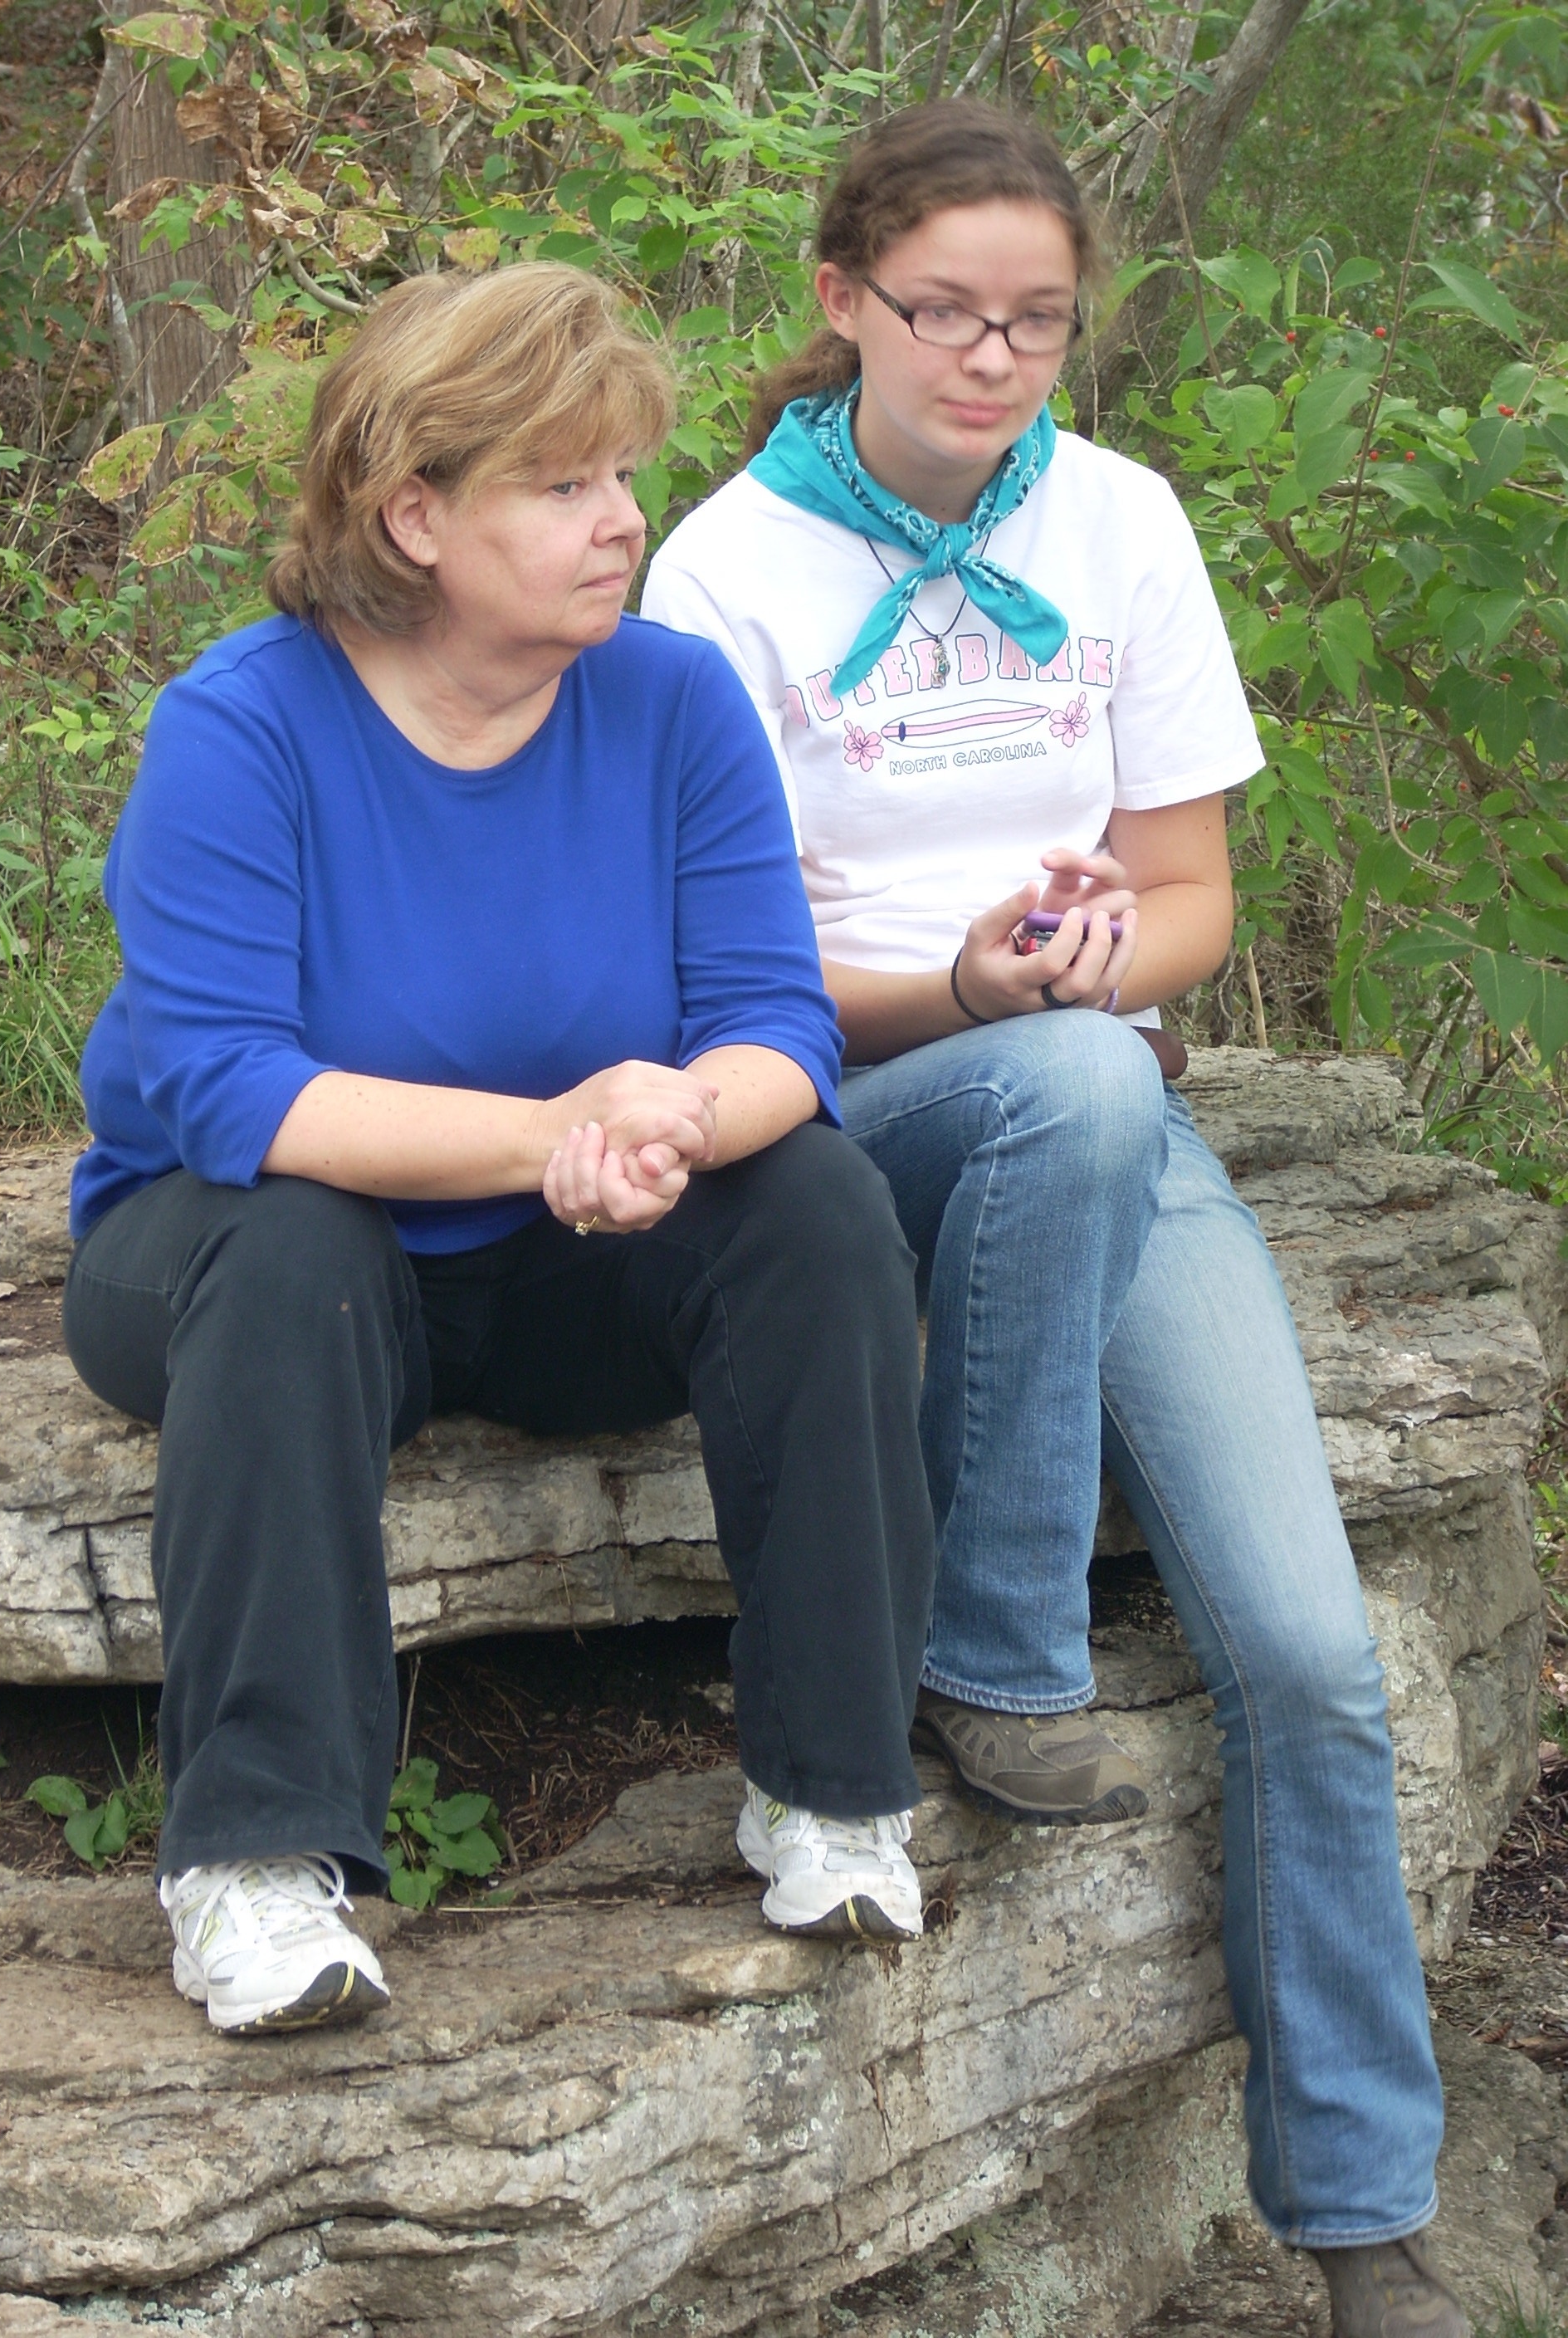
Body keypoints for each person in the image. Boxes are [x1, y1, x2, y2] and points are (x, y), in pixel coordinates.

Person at [642, 101, 1468, 2338]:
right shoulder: (717, 570)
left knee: (1307, 1655)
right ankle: (985, 1651)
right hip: (847, 1106)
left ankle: (1363, 2202)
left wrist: (1101, 963)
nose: (996, 361)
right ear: (841, 303)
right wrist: (972, 991)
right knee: (1071, 1081)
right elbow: (709, 968)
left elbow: (1187, 894)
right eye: (947, 317)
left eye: (1038, 323)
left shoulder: (1118, 523)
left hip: (1098, 1096)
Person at [63, 262, 940, 2038]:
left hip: (566, 1268)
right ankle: (254, 1863)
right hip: (245, 1259)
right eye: (565, 486)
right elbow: (238, 1096)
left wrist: (674, 1117)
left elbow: (778, 1024)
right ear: (416, 513)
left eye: (623, 477)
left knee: (820, 1204)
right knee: (295, 1235)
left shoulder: (674, 705)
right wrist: (556, 1130)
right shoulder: (241, 729)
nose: (626, 522)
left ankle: (834, 1791)